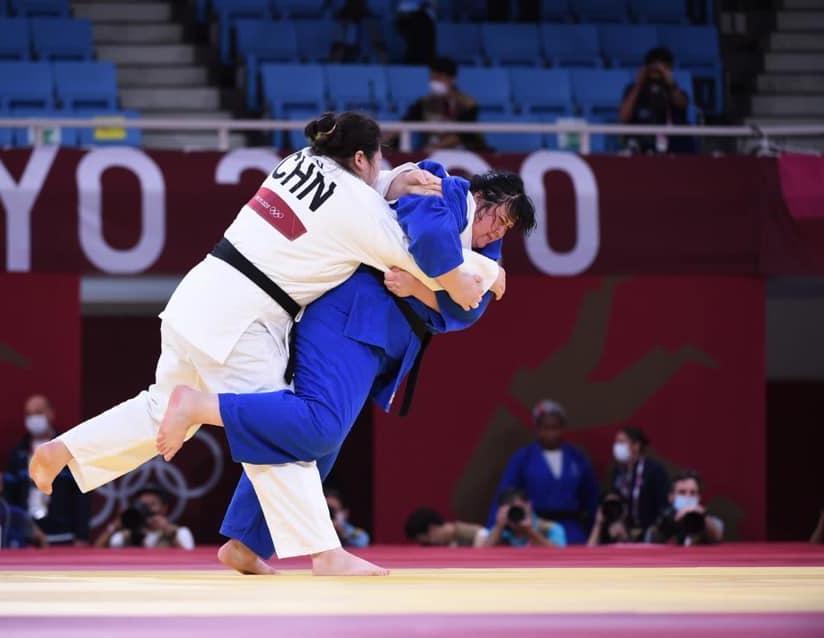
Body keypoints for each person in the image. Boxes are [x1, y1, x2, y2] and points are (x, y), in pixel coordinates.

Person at [29, 111, 504, 577]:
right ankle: (325, 552)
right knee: (284, 432)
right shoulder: (359, 209)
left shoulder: (298, 161)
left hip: (199, 294)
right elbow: (420, 257)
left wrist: (398, 180)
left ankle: (65, 450)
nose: (382, 168)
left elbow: (365, 190)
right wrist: (489, 272)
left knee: (159, 406)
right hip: (243, 321)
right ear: (361, 158)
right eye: (379, 159)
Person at [156, 164, 535, 573]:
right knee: (320, 424)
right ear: (480, 198)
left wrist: (422, 288)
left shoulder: (485, 250)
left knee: (320, 446)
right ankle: (201, 407)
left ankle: (245, 543)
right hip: (349, 314)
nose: (497, 232)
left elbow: (469, 310)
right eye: (498, 219)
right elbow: (429, 241)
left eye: (507, 229)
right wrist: (463, 278)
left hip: (383, 335)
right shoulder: (440, 191)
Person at [485, 400, 599, 544]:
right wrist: (494, 528)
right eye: (545, 427)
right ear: (537, 429)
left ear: (562, 427)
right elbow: (505, 494)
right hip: (535, 526)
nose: (550, 433)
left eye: (555, 427)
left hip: (571, 527)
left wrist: (594, 529)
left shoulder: (577, 458)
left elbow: (591, 498)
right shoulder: (523, 458)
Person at [4, 394, 90, 545]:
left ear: (51, 413)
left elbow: (81, 496)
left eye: (38, 412)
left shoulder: (67, 449)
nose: (33, 418)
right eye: (29, 414)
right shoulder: (18, 453)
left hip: (63, 536)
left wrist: (82, 536)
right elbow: (9, 497)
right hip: (27, 539)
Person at [618, 46, 693, 154]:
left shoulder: (674, 90)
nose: (658, 72)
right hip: (639, 145)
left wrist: (670, 83)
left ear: (670, 69)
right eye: (654, 67)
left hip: (672, 145)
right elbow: (623, 117)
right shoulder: (633, 90)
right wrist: (639, 84)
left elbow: (682, 104)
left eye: (663, 68)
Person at [401, 57, 484, 152]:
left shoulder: (468, 104)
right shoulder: (424, 102)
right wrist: (386, 141)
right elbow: (405, 122)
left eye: (438, 78)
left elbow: (463, 135)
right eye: (432, 78)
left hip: (464, 152)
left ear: (452, 79)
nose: (434, 82)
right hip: (431, 152)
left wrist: (434, 147)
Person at [608, 426, 669, 540]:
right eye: (616, 442)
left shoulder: (654, 470)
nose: (617, 446)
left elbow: (664, 505)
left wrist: (655, 530)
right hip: (624, 534)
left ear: (636, 445)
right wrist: (616, 522)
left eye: (621, 442)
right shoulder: (618, 471)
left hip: (650, 534)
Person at [93, 486, 195, 549]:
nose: (147, 509)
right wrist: (115, 525)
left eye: (152, 504)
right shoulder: (127, 535)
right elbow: (98, 551)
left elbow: (189, 559)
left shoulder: (180, 532)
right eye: (143, 505)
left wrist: (168, 531)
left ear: (164, 508)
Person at [647, 470, 724, 546]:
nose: (688, 496)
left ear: (699, 497)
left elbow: (717, 537)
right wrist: (673, 522)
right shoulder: (662, 519)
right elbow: (652, 539)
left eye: (693, 493)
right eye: (682, 492)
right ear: (671, 497)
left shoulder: (709, 520)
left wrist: (703, 517)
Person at [487, 487, 567, 548]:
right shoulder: (499, 532)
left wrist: (530, 532)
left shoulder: (552, 529)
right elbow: (482, 556)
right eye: (510, 511)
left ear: (528, 505)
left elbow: (559, 556)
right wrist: (498, 528)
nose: (514, 514)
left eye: (517, 509)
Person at [405, 507, 490, 547]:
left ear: (432, 529)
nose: (432, 542)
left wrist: (476, 553)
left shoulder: (459, 529)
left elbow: (482, 532)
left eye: (428, 539)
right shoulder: (438, 546)